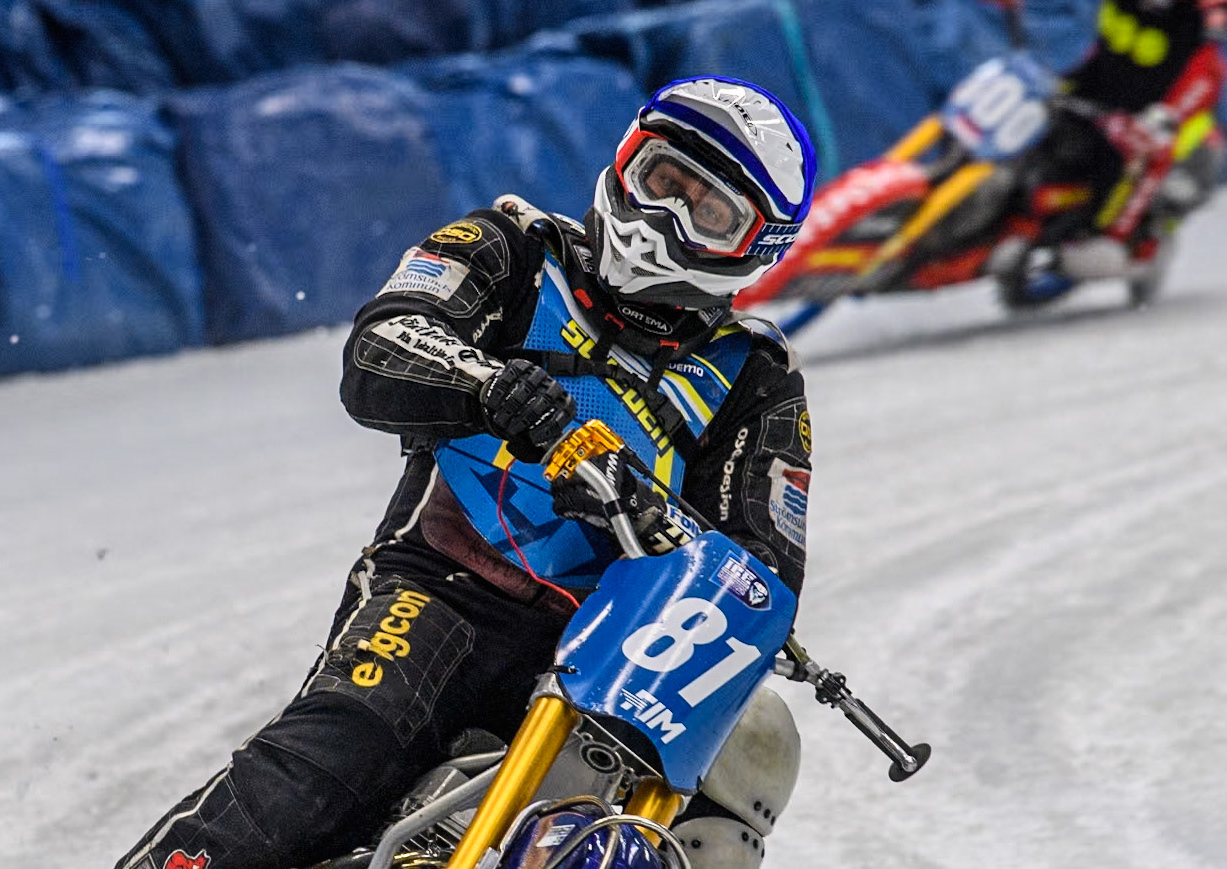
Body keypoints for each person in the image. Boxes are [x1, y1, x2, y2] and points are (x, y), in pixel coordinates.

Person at [116, 76, 816, 869]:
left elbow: (764, 560)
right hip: (445, 585)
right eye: (661, 181)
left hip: (620, 644)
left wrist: (663, 523)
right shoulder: (514, 246)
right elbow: (381, 345)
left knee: (756, 745)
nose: (663, 217)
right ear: (626, 163)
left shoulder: (755, 376)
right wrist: (493, 390)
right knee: (328, 761)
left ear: (751, 248)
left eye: (705, 211)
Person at [1031, 0, 1225, 297]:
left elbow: (1204, 76)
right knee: (1050, 129)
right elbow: (1103, 51)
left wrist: (1168, 115)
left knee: (1130, 155)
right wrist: (1070, 83)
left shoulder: (1191, 24)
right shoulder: (1118, 6)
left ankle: (1108, 238)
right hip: (1107, 101)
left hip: (1157, 120)